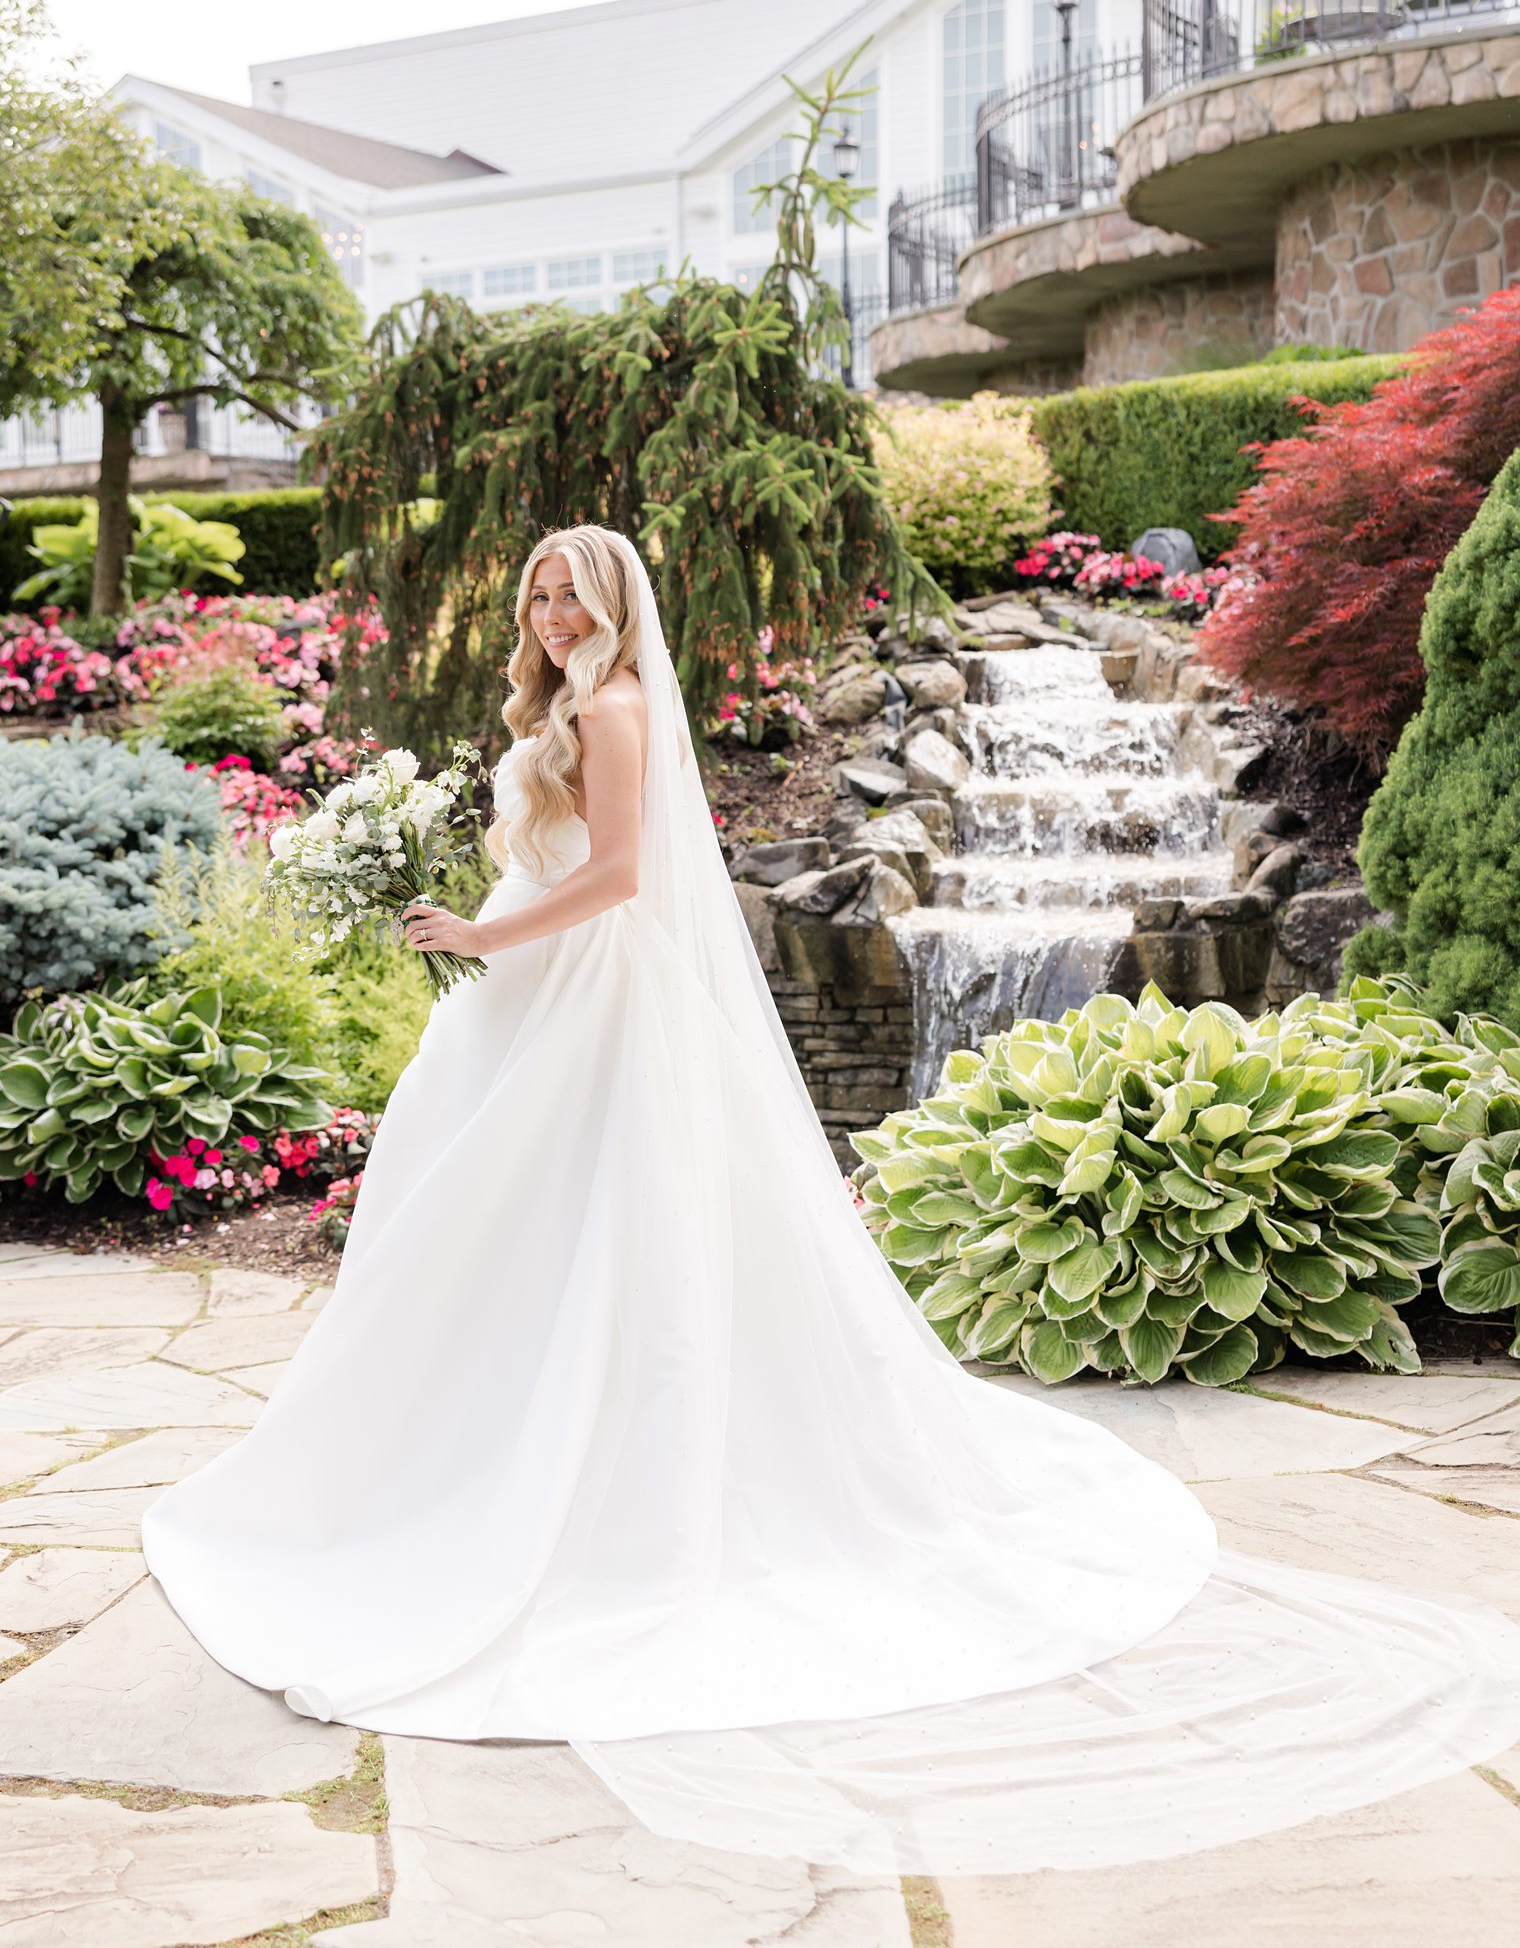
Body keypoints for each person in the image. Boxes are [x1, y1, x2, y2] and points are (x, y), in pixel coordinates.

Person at [143, 525, 1520, 1875]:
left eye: (571, 596)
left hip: (584, 1005)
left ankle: (577, 1475)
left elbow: (620, 881)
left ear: (616, 604)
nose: (553, 617)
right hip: (520, 1003)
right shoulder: (563, 700)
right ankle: (455, 1449)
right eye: (540, 597)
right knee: (483, 1237)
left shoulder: (616, 707)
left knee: (590, 1235)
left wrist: (479, 931)